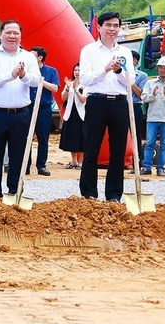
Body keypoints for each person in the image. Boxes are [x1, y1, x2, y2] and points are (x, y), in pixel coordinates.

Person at [0, 20, 41, 197]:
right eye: (8, 32)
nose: (12, 36)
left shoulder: (28, 57)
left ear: (21, 36)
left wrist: (23, 76)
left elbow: (36, 80)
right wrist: (11, 75)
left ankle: (15, 192)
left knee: (18, 156)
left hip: (21, 114)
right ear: (1, 35)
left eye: (16, 33)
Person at [78, 11, 134, 203]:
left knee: (117, 151)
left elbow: (130, 81)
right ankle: (88, 193)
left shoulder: (124, 52)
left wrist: (118, 71)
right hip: (96, 101)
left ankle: (114, 194)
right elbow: (85, 79)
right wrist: (105, 69)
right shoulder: (89, 51)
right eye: (108, 25)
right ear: (99, 27)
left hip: (119, 102)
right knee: (91, 147)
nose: (112, 29)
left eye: (116, 25)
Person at [26, 46, 59, 176]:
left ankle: (41, 166)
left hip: (44, 109)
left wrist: (41, 81)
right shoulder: (27, 71)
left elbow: (55, 88)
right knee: (25, 137)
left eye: (33, 55)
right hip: (27, 108)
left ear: (40, 57)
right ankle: (26, 166)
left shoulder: (51, 71)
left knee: (43, 138)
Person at [59, 63, 87, 169]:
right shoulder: (69, 83)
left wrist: (75, 90)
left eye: (79, 70)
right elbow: (63, 98)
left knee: (82, 137)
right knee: (71, 137)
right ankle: (73, 160)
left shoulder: (86, 85)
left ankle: (81, 161)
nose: (77, 72)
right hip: (70, 113)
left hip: (82, 114)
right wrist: (67, 88)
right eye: (75, 70)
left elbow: (83, 99)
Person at [130, 50, 148, 167]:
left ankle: (137, 160)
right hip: (120, 106)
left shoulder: (142, 76)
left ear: (135, 61)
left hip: (135, 107)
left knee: (135, 134)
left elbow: (141, 94)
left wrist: (130, 82)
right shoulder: (116, 73)